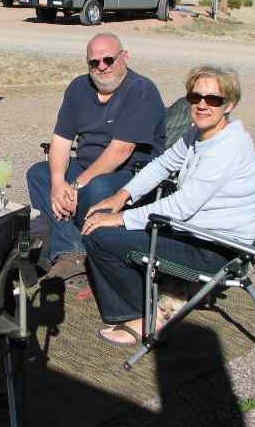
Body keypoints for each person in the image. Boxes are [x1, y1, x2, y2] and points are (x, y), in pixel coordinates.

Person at [82, 65, 255, 346]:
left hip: (217, 248)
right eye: (196, 97)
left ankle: (145, 315)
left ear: (230, 105)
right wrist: (121, 197)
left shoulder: (228, 147)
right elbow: (163, 165)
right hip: (196, 232)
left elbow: (182, 207)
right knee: (105, 220)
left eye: (213, 99)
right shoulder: (198, 134)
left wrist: (122, 218)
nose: (203, 105)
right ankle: (140, 298)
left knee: (99, 235)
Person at [26, 33, 166, 282]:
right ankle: (72, 250)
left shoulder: (141, 90)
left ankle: (97, 254)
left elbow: (120, 151)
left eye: (109, 59)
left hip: (130, 173)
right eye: (94, 62)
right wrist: (59, 183)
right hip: (86, 167)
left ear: (125, 57)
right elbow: (61, 140)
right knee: (39, 173)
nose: (102, 67)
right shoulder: (79, 87)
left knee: (98, 185)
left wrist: (76, 186)